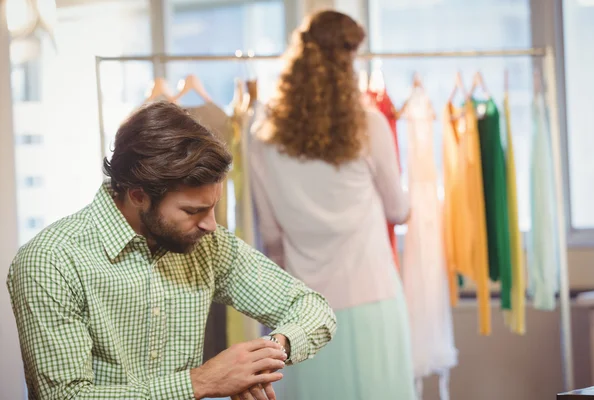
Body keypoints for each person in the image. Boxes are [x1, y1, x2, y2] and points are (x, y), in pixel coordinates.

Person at [6, 102, 337, 400]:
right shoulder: (50, 261)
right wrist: (201, 381)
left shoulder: (208, 244)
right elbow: (66, 398)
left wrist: (263, 357)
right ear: (138, 196)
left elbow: (310, 307)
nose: (210, 225)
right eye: (193, 211)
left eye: (213, 208)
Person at [250, 10, 416, 400]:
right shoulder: (368, 125)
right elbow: (398, 210)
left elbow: (271, 238)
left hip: (305, 312)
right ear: (348, 62)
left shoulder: (262, 136)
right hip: (372, 294)